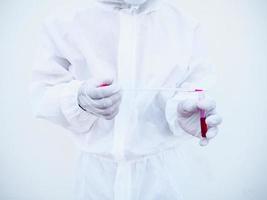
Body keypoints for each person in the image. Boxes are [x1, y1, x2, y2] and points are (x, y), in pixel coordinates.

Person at [30, 0, 222, 199]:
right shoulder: (64, 22)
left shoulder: (185, 26)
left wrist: (183, 111)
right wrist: (79, 99)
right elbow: (42, 93)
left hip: (165, 182)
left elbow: (196, 88)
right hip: (93, 182)